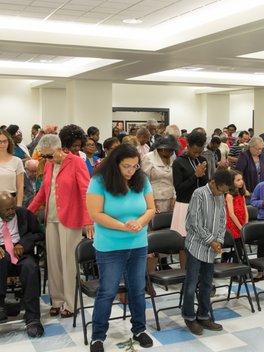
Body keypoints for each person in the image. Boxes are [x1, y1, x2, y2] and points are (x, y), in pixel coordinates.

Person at [86, 143, 155, 352]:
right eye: (126, 166)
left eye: (134, 166)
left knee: (137, 289)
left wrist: (140, 222)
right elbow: (95, 214)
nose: (130, 171)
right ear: (115, 163)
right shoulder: (99, 180)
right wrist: (123, 226)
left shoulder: (141, 179)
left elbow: (151, 208)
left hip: (138, 243)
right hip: (110, 245)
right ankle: (98, 336)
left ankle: (139, 329)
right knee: (107, 291)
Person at [28, 133, 93, 318]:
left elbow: (85, 192)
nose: (47, 159)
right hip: (51, 219)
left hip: (70, 219)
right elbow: (42, 192)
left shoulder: (76, 162)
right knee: (54, 262)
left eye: (49, 155)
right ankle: (56, 300)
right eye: (45, 156)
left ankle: (71, 304)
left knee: (68, 263)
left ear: (60, 148)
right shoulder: (49, 165)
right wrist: (26, 212)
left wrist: (88, 220)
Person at [182, 169, 232, 336]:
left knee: (206, 284)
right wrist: (211, 240)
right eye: (221, 190)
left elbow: (222, 219)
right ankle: (189, 317)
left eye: (225, 192)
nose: (222, 194)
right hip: (196, 245)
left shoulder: (220, 194)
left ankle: (203, 315)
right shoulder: (199, 194)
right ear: (212, 183)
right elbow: (193, 222)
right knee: (191, 285)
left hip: (211, 248)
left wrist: (219, 240)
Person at [0, 192, 44, 337]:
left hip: (21, 253)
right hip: (2, 254)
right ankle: (1, 306)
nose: (12, 212)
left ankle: (33, 319)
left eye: (13, 208)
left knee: (31, 267)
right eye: (7, 210)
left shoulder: (23, 214)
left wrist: (23, 244)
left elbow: (39, 233)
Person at [172, 131, 208, 268]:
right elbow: (179, 188)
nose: (198, 154)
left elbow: (205, 185)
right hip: (184, 205)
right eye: (195, 151)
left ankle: (197, 273)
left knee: (200, 240)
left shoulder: (201, 160)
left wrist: (203, 175)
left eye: (200, 151)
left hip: (200, 205)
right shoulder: (178, 162)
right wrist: (195, 175)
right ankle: (185, 274)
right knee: (184, 242)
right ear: (188, 146)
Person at [142, 135, 179, 213]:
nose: (172, 153)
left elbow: (174, 181)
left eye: (173, 151)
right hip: (154, 199)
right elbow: (144, 182)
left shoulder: (172, 158)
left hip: (170, 199)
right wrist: (150, 201)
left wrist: (175, 196)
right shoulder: (148, 158)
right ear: (162, 149)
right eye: (170, 151)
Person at [225, 170, 248, 262]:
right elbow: (231, 214)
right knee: (238, 247)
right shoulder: (229, 196)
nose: (241, 182)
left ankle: (239, 264)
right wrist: (240, 227)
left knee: (242, 248)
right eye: (238, 180)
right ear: (231, 182)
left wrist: (246, 224)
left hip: (242, 223)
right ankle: (235, 274)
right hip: (234, 225)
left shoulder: (241, 194)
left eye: (241, 179)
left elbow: (245, 210)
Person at [0, 129, 24, 206]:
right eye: (0, 142)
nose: (2, 144)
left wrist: (19, 205)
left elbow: (20, 186)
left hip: (10, 202)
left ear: (9, 142)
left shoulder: (17, 161)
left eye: (5, 141)